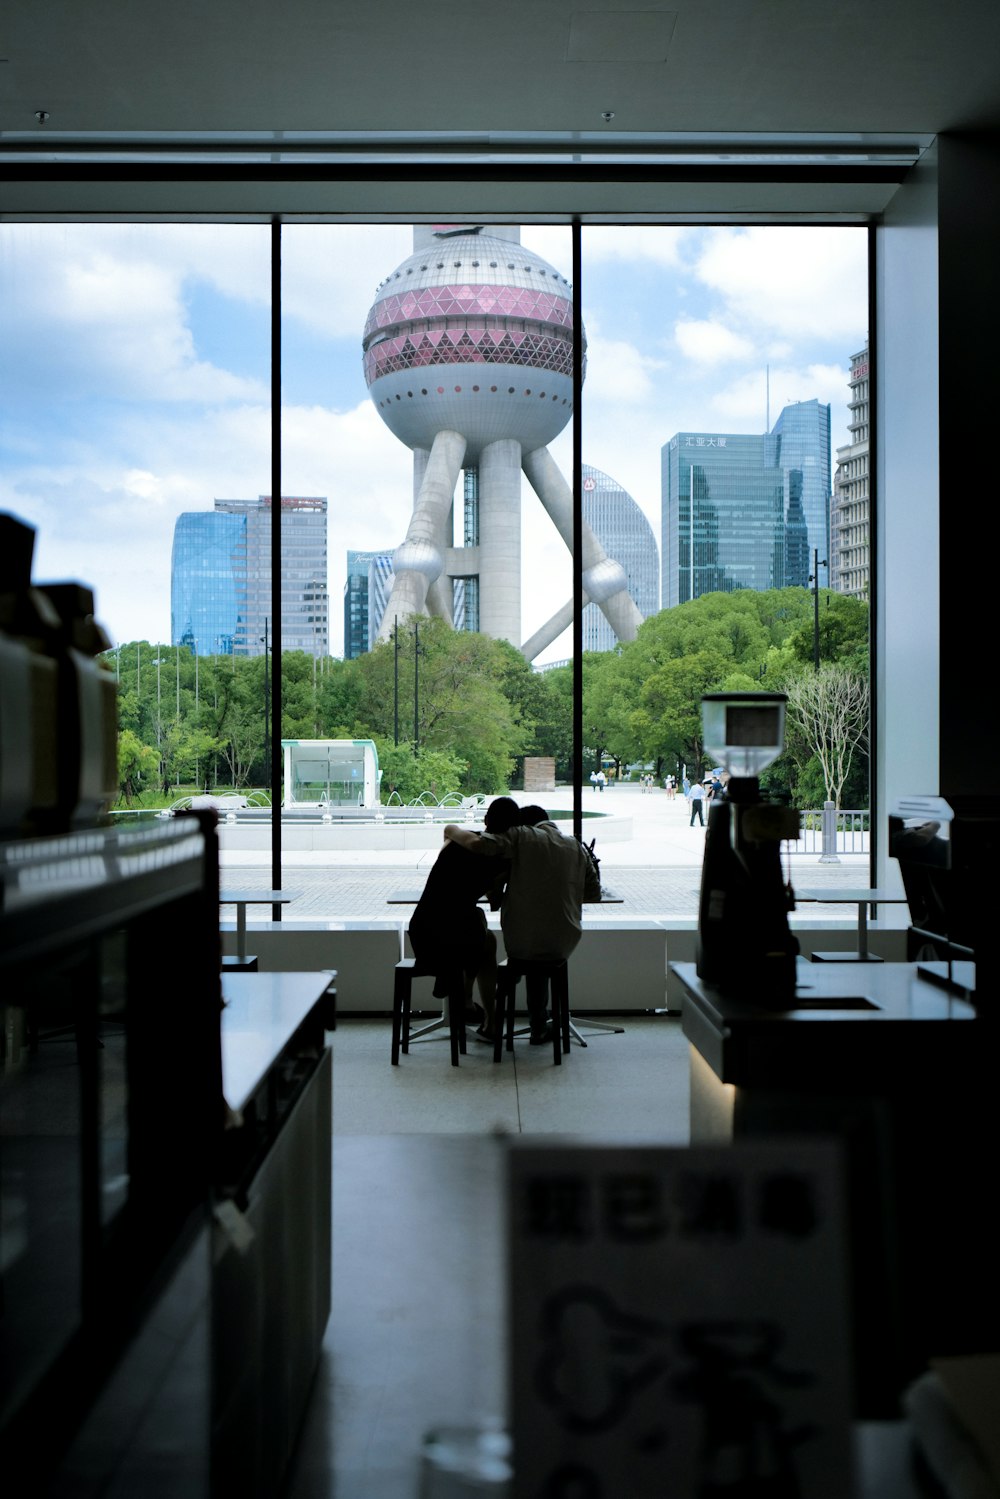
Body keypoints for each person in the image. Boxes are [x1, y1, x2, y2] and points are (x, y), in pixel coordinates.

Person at [444, 804, 601, 1044]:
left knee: (527, 943)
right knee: (542, 950)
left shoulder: (521, 836)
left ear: (523, 825)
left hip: (521, 941)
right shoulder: (575, 846)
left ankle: (494, 1018)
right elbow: (593, 893)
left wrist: (451, 831)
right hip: (565, 942)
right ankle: (538, 1025)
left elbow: (484, 846)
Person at [408, 795, 519, 1040]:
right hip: (455, 936)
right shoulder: (501, 861)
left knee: (475, 926)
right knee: (485, 940)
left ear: (486, 818)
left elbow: (450, 830)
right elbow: (494, 903)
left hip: (422, 931)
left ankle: (466, 1001)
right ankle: (487, 1016)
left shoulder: (458, 838)